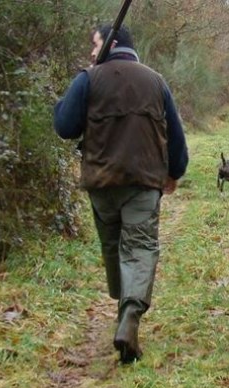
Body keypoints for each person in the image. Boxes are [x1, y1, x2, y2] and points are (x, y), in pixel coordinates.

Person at [53, 24, 189, 363]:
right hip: (143, 182)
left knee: (113, 247)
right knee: (140, 247)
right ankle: (130, 315)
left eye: (94, 43)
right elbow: (175, 135)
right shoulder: (156, 80)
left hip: (101, 183)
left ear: (110, 44)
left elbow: (65, 128)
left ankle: (121, 305)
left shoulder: (88, 78)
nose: (90, 51)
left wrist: (67, 98)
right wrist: (175, 171)